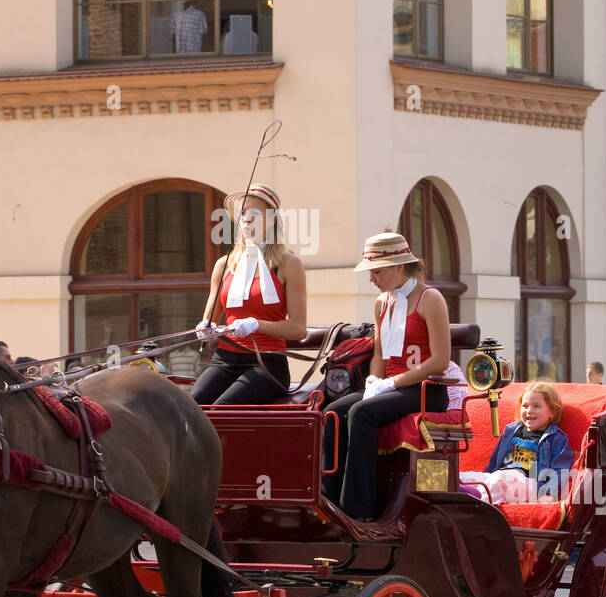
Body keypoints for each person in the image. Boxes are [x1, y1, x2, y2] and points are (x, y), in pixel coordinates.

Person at [322, 232, 450, 521]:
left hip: (426, 388)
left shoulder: (431, 299)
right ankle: (329, 502)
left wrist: (392, 383)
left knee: (361, 413)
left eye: (377, 272)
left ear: (400, 267)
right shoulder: (382, 302)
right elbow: (379, 354)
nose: (372, 278)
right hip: (390, 386)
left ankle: (358, 512)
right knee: (331, 413)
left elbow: (440, 360)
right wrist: (372, 382)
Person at [191, 184, 307, 406]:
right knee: (193, 406)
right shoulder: (223, 265)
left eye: (254, 214)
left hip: (267, 363)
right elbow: (210, 322)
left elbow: (298, 329)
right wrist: (205, 329)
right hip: (224, 359)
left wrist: (257, 325)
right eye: (243, 213)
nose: (246, 219)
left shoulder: (289, 265)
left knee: (222, 410)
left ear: (272, 220)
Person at [461, 381, 573, 505]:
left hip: (530, 484)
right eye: (525, 406)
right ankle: (461, 496)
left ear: (551, 412)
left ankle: (475, 503)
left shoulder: (555, 437)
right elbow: (495, 461)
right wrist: (485, 478)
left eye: (536, 406)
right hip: (502, 477)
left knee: (501, 480)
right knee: (463, 477)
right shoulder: (511, 431)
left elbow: (560, 470)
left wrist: (548, 494)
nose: (529, 411)